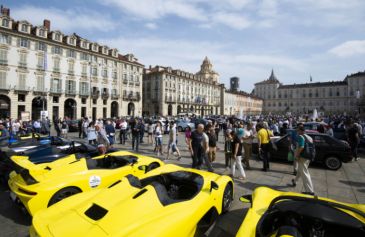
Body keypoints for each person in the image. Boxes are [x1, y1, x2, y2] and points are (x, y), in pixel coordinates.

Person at [291, 125, 314, 195]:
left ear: (301, 131)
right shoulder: (309, 137)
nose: (297, 132)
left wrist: (297, 155)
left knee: (305, 173)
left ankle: (310, 191)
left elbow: (301, 147)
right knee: (300, 171)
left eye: (298, 130)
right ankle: (295, 181)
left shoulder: (301, 137)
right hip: (308, 157)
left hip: (302, 157)